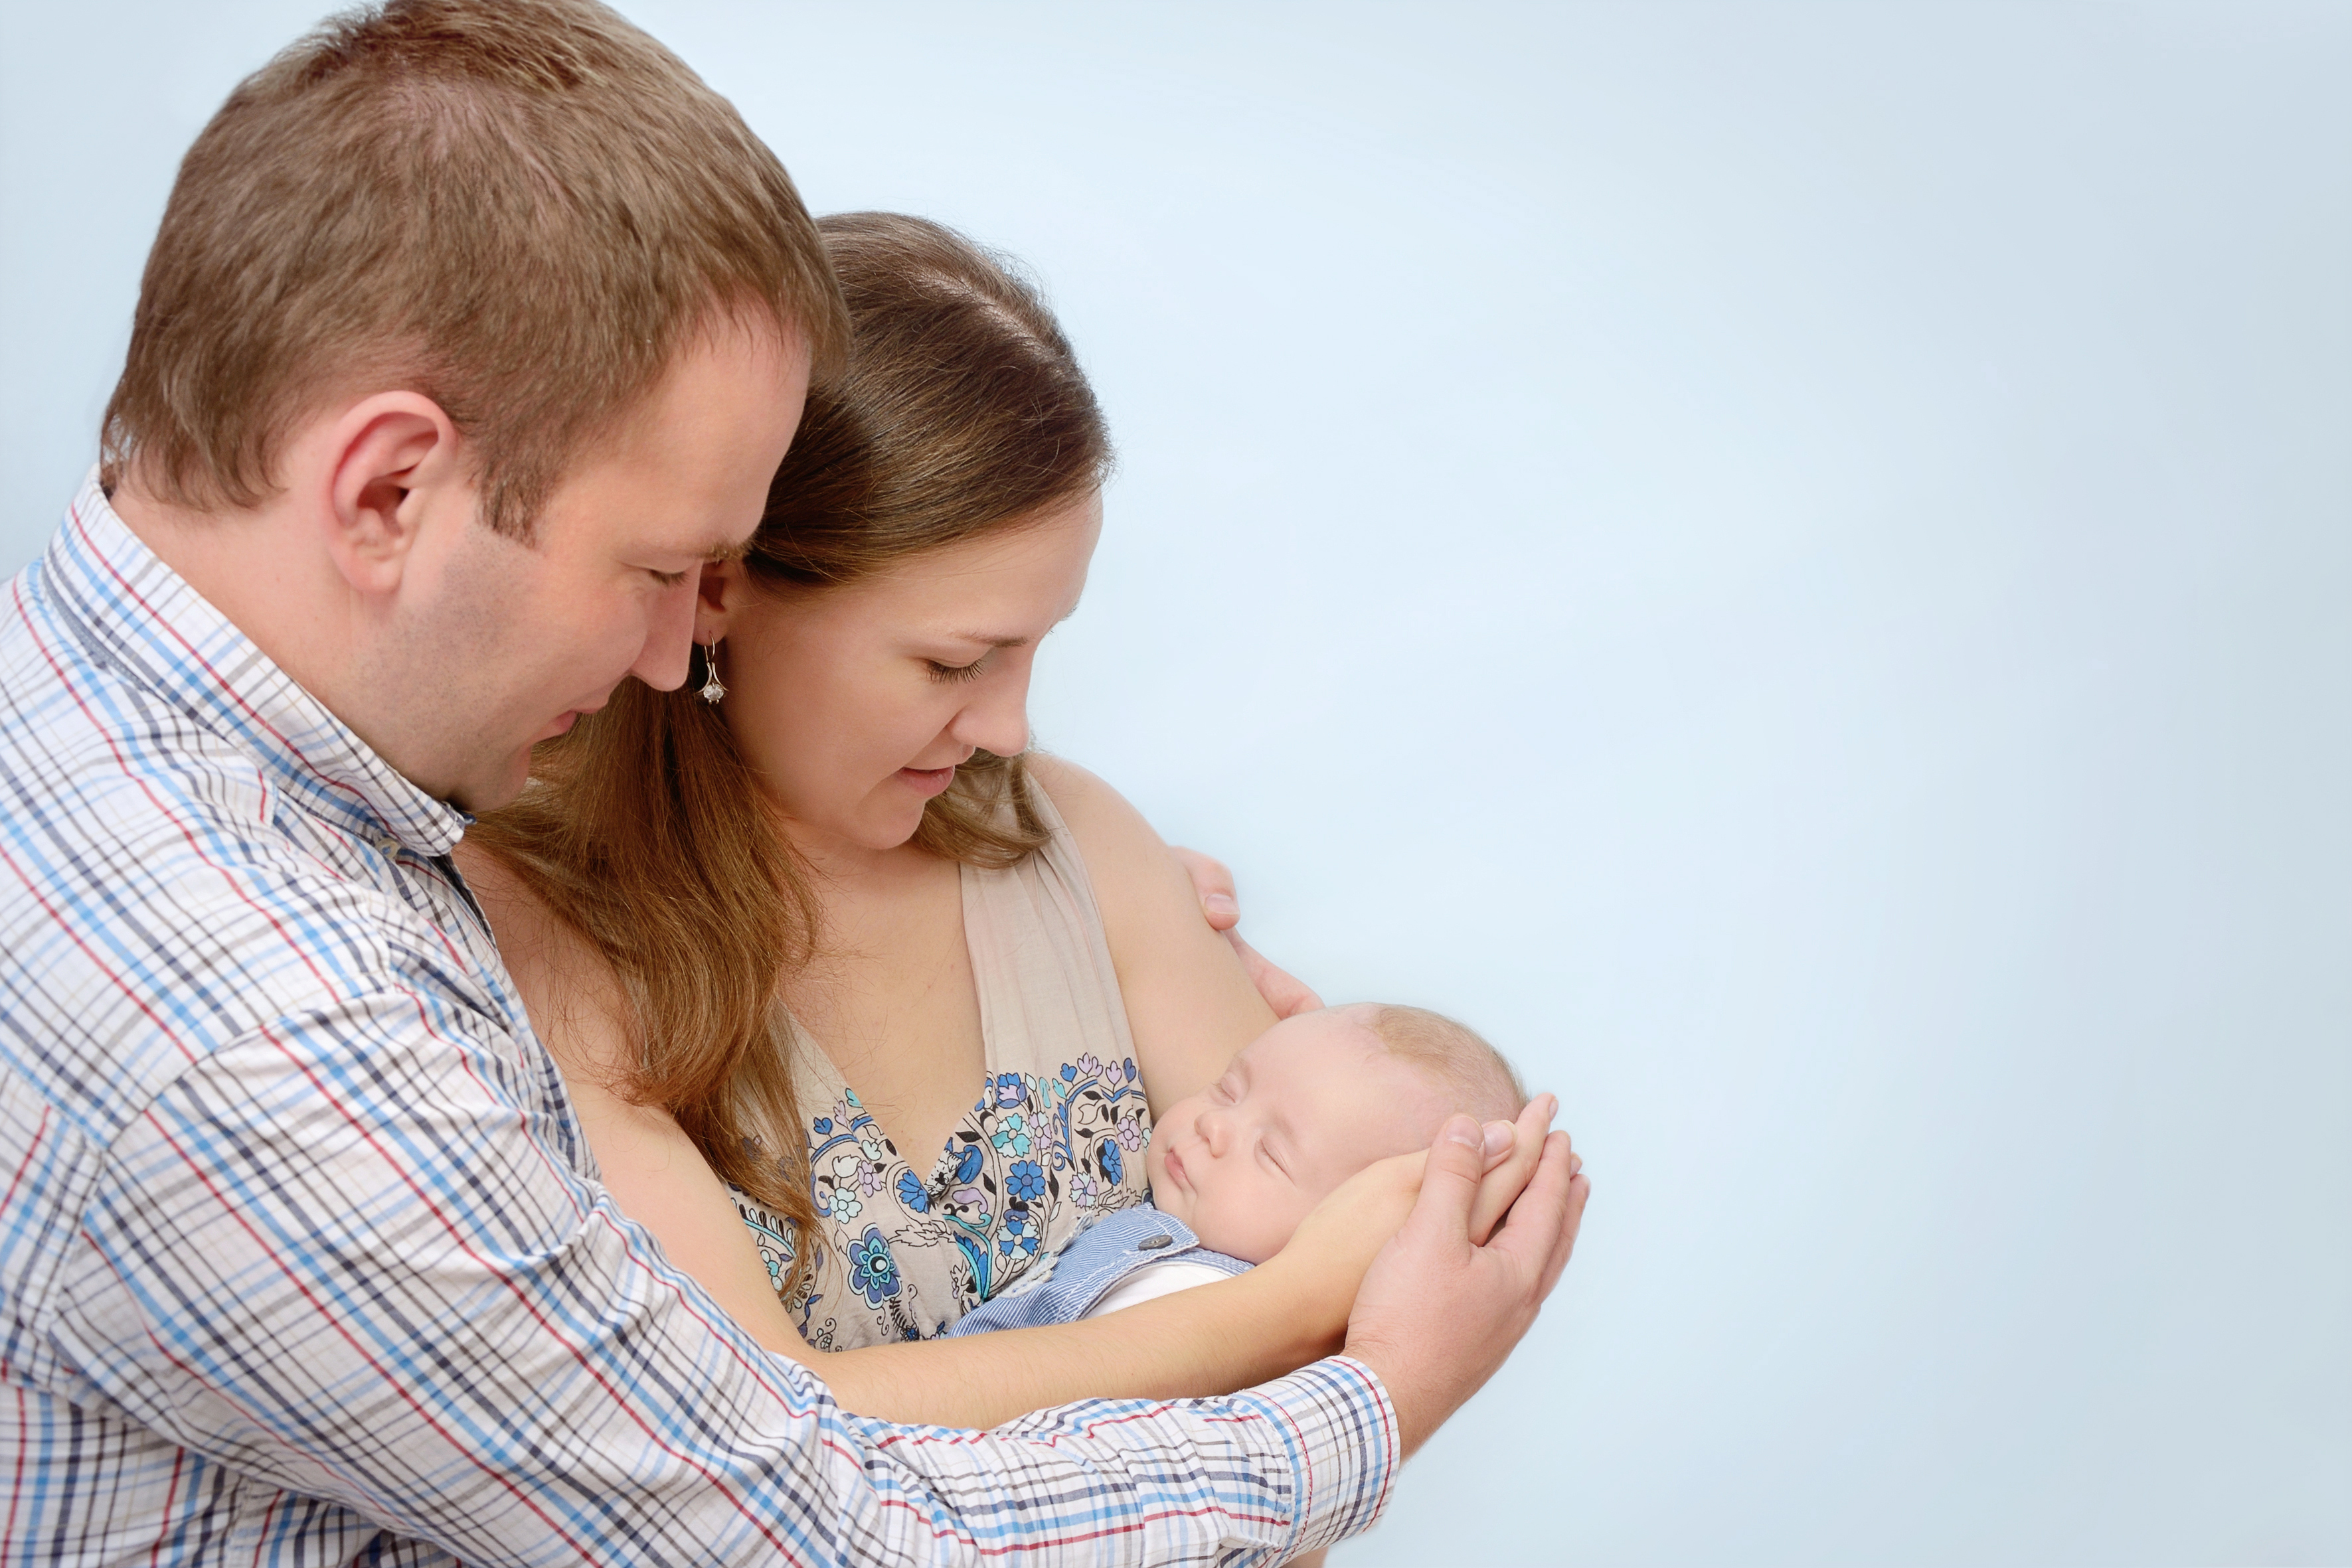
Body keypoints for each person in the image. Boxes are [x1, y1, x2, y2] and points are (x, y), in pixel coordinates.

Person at [0, 5, 1587, 1566]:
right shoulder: (273, 1034)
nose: (662, 649)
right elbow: (815, 1525)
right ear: (389, 488)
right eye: (665, 565)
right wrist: (1371, 1383)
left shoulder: (168, 773)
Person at [460, 210, 1575, 1425]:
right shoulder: (540, 925)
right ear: (721, 586)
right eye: (954, 663)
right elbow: (768, 1435)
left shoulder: (1076, 845)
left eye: (1040, 649)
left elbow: (1326, 1397)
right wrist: (1286, 1311)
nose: (1011, 729)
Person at [944, 1004, 1529, 1333]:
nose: (1213, 1126)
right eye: (1228, 1089)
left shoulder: (1196, 1304)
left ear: (1357, 1238)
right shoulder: (1167, 1244)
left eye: (1271, 1153)